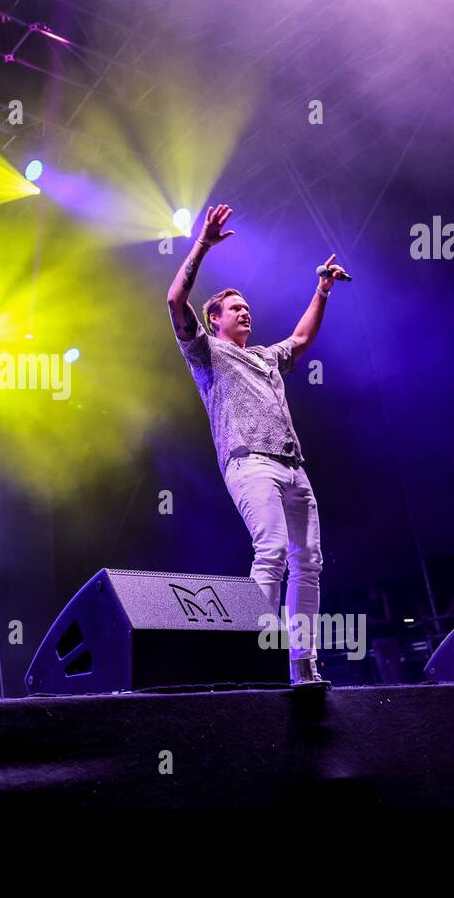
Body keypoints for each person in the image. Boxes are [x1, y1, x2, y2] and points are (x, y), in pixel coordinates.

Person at [166, 204, 348, 685]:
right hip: (250, 464)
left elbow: (302, 337)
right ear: (214, 318)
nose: (246, 311)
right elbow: (173, 300)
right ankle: (256, 656)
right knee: (270, 551)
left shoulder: (266, 358)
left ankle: (301, 663)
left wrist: (321, 290)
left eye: (248, 307)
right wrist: (203, 244)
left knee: (308, 562)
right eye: (235, 308)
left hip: (294, 468)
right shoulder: (206, 353)